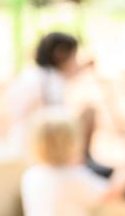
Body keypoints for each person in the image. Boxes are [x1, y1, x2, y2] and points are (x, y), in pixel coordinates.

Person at [6, 31, 95, 159]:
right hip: (38, 147)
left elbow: (71, 73)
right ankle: (83, 157)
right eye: (73, 57)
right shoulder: (51, 81)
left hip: (21, 139)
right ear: (60, 54)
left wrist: (84, 67)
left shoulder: (32, 74)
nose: (75, 62)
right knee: (88, 113)